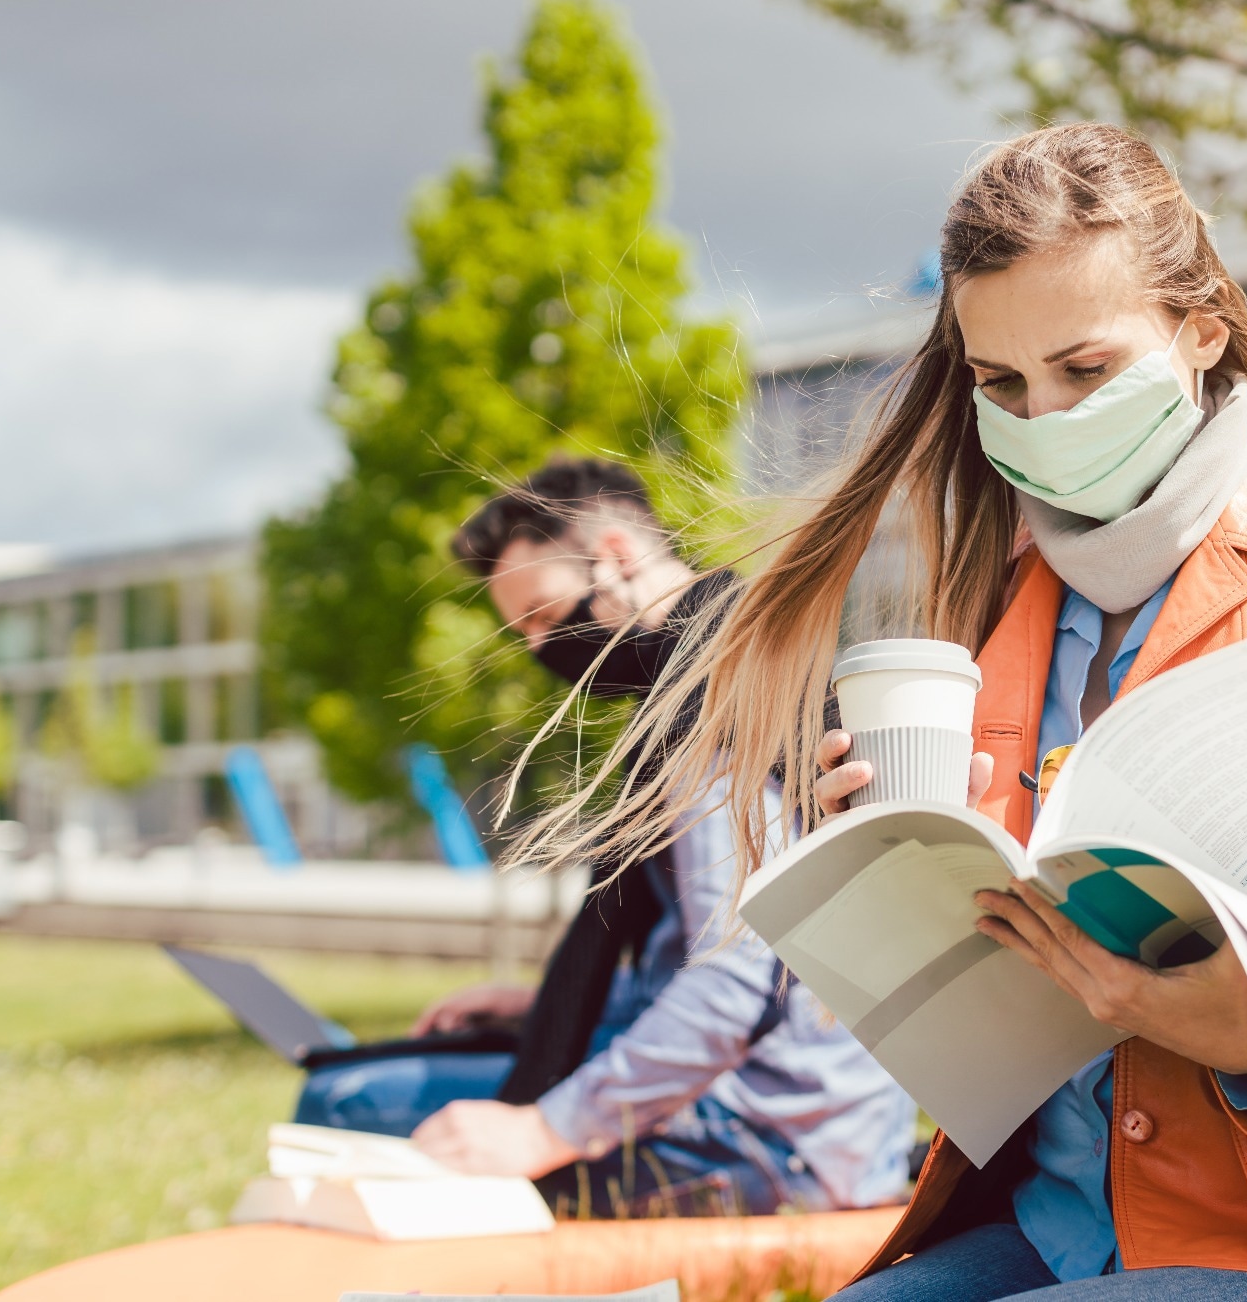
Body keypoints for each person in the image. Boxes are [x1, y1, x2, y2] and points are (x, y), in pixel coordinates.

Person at [531, 125, 1247, 1299]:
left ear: (1199, 331)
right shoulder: (992, 610)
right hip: (1052, 1221)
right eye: (999, 383)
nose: (1042, 416)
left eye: (1085, 369)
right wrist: (886, 878)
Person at [323, 458, 917, 1219]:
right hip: (815, 1120)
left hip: (775, 1141)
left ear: (617, 553)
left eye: (543, 613)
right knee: (397, 1081)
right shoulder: (742, 659)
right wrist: (537, 1007)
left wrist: (543, 1131)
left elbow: (729, 992)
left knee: (346, 1102)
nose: (542, 649)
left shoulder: (711, 703)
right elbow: (730, 963)